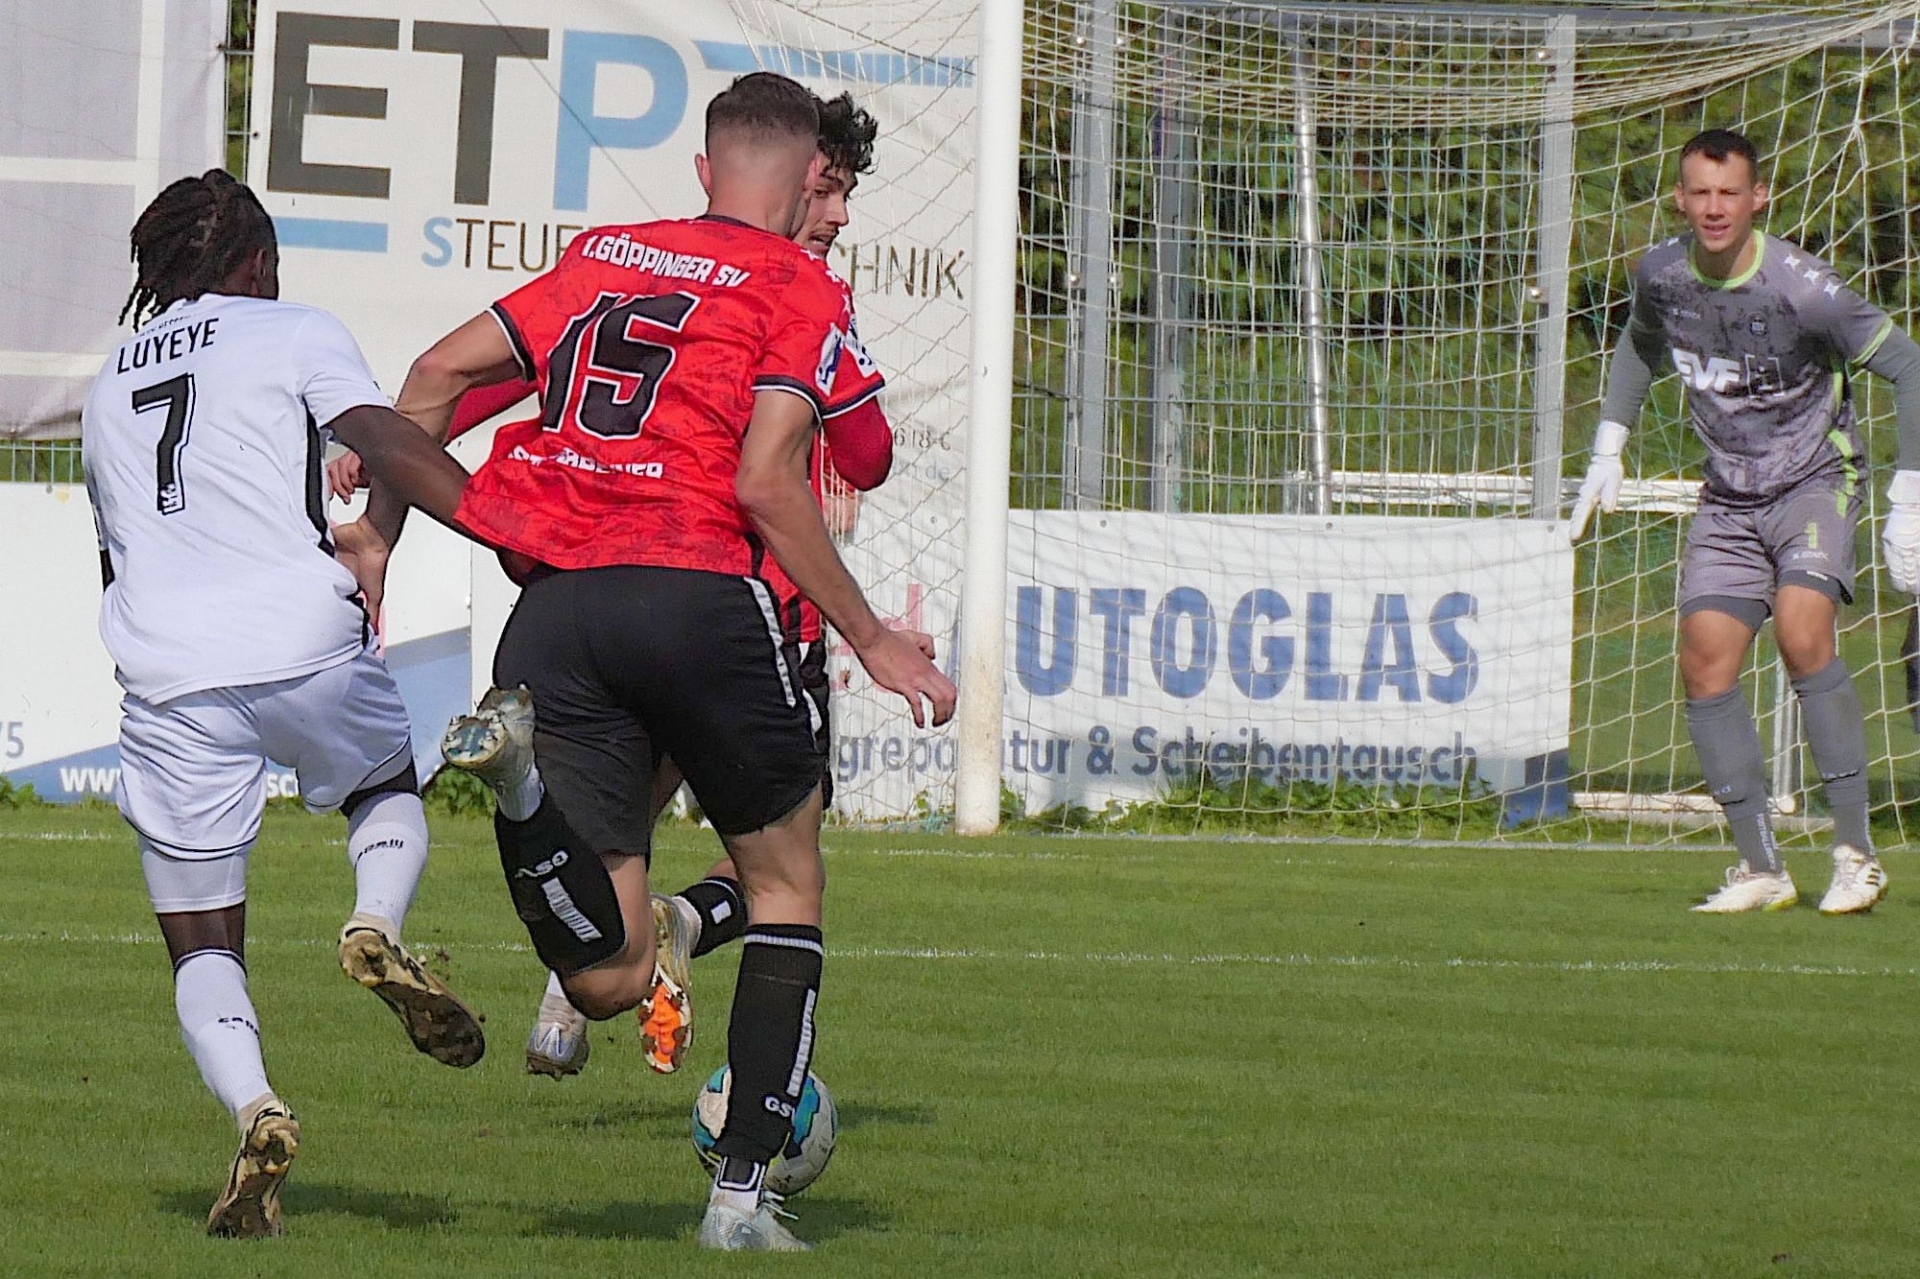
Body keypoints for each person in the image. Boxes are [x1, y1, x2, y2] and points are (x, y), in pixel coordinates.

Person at [356, 73, 955, 1251]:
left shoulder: (605, 256)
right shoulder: (799, 285)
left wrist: (378, 530)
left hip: (557, 612)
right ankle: (739, 1202)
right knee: (785, 885)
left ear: (702, 171)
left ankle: (520, 790)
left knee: (609, 976)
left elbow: (431, 377)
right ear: (809, 181)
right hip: (698, 598)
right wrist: (876, 637)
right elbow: (774, 479)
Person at [80, 171, 486, 1238]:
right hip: (299, 639)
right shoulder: (291, 326)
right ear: (255, 263)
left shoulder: (109, 379)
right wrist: (503, 527)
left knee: (202, 943)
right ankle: (374, 921)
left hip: (168, 674)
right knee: (383, 785)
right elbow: (385, 437)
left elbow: (117, 557)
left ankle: (257, 1107)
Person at [1571, 128, 1920, 914]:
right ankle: (1762, 867)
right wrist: (1608, 447)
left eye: (1729, 192)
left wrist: (1911, 497)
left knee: (1803, 631)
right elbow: (1639, 344)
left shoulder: (1805, 289)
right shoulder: (1661, 274)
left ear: (1757, 197)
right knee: (1704, 659)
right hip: (1728, 497)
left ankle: (1856, 855)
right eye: (1699, 191)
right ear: (1679, 198)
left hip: (1814, 483)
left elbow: (1909, 364)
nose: (1714, 207)